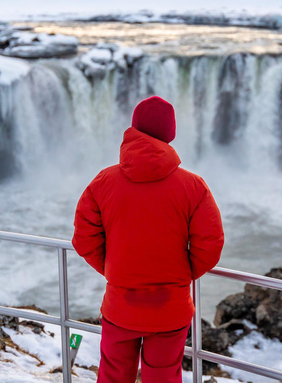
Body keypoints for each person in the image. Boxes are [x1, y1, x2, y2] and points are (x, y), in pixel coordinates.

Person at [72, 95, 225, 383]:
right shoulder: (193, 186)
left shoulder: (102, 182)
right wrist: (182, 275)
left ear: (134, 128)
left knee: (114, 376)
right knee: (164, 378)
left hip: (120, 305)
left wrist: (113, 270)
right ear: (171, 133)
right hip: (170, 308)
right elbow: (211, 243)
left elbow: (84, 238)